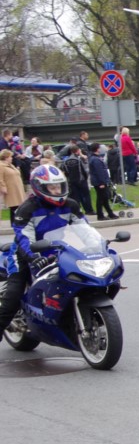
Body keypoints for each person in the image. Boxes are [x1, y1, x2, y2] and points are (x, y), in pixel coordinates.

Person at [0, 166, 88, 342]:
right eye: (52, 187)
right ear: (39, 187)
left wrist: (96, 247)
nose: (57, 191)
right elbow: (24, 237)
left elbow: (84, 229)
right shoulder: (27, 208)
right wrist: (33, 257)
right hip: (23, 254)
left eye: (59, 186)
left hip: (55, 250)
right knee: (14, 293)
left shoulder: (70, 205)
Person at [87, 142, 117, 221]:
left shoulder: (94, 158)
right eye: (99, 148)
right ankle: (100, 215)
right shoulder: (95, 159)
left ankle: (110, 213)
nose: (100, 149)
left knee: (104, 198)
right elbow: (99, 172)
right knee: (101, 199)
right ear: (97, 149)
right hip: (100, 182)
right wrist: (102, 182)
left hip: (99, 181)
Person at [61, 144, 93, 215]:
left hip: (72, 181)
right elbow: (85, 169)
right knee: (85, 196)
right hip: (81, 180)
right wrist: (85, 178)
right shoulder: (79, 159)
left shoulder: (66, 161)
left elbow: (65, 171)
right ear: (78, 150)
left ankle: (77, 211)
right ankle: (89, 210)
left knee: (75, 197)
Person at [0, 150, 27, 217]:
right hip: (11, 190)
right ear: (6, 157)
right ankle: (13, 221)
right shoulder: (1, 166)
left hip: (17, 189)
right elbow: (0, 178)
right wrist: (3, 187)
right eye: (10, 157)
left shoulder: (11, 165)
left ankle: (17, 221)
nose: (12, 158)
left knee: (19, 207)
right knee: (13, 207)